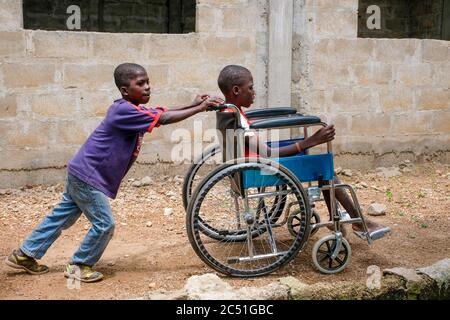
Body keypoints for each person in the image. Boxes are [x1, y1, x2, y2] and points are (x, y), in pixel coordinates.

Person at [5, 63, 223, 282]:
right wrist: (200, 108)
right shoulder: (124, 111)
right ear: (124, 90)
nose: (147, 87)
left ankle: (25, 255)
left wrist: (192, 103)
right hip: (88, 178)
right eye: (140, 83)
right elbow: (164, 119)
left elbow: (162, 112)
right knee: (104, 224)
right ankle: (79, 266)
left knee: (61, 217)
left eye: (147, 82)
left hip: (81, 172)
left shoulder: (132, 108)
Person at [216, 64, 390, 237]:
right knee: (322, 166)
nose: (254, 92)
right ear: (237, 90)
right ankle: (357, 221)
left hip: (248, 165)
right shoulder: (238, 119)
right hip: (257, 170)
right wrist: (312, 140)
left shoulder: (228, 110)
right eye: (251, 88)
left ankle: (337, 216)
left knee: (317, 163)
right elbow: (268, 153)